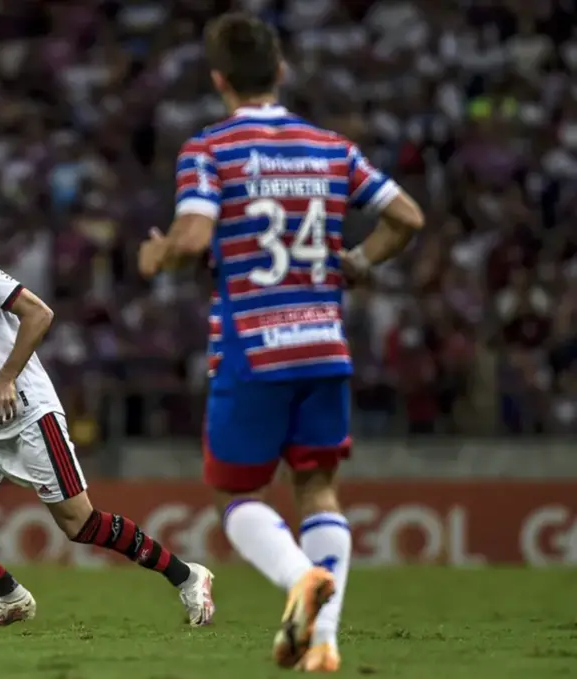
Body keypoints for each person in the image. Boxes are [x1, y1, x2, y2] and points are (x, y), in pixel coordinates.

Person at [138, 13, 425, 673]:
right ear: (282, 71)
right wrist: (359, 260)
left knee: (237, 498)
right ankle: (322, 643)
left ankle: (300, 577)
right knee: (318, 488)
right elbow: (406, 217)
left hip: (253, 346)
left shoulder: (210, 149)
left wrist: (157, 256)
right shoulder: (330, 147)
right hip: (325, 343)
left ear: (218, 80)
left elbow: (190, 238)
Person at [0, 177, 215, 629]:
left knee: (80, 526)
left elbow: (39, 314)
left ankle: (188, 575)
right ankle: (12, 597)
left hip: (28, 409)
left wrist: (5, 379)